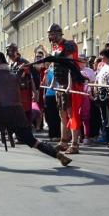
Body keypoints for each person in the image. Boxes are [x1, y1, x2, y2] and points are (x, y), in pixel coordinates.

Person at [0, 52, 72, 168]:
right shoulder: (13, 75)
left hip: (0, 111)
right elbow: (17, 75)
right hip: (18, 113)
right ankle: (58, 155)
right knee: (31, 140)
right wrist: (20, 70)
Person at [48, 23, 82, 154]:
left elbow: (69, 66)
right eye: (50, 34)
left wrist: (68, 85)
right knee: (62, 114)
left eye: (53, 34)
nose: (51, 36)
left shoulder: (70, 45)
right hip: (60, 85)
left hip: (71, 83)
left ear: (58, 34)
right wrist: (54, 84)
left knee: (71, 114)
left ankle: (74, 144)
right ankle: (63, 141)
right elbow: (56, 68)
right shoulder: (55, 49)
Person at [6, 43, 37, 125]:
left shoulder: (23, 62)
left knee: (25, 112)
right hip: (14, 92)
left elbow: (30, 78)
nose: (10, 54)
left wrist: (34, 91)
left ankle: (26, 133)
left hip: (24, 91)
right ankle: (18, 132)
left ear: (15, 51)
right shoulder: (11, 64)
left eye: (11, 51)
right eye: (8, 51)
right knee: (16, 112)